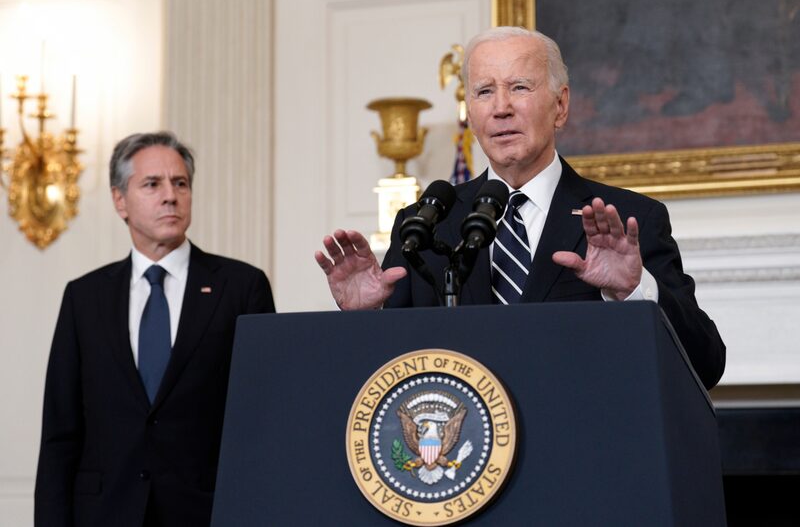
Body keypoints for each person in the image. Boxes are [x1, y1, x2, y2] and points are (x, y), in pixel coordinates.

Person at [315, 27, 725, 389]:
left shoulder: (627, 219)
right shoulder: (427, 224)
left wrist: (635, 290)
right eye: (484, 91)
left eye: (520, 87)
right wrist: (366, 316)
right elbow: (387, 375)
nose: (501, 108)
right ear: (471, 114)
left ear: (560, 106)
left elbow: (705, 364)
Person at [35, 132, 275, 527]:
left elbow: (262, 418)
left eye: (180, 183)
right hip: (103, 513)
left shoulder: (241, 287)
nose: (170, 196)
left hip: (207, 513)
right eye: (152, 184)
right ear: (119, 200)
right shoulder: (84, 298)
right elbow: (60, 434)